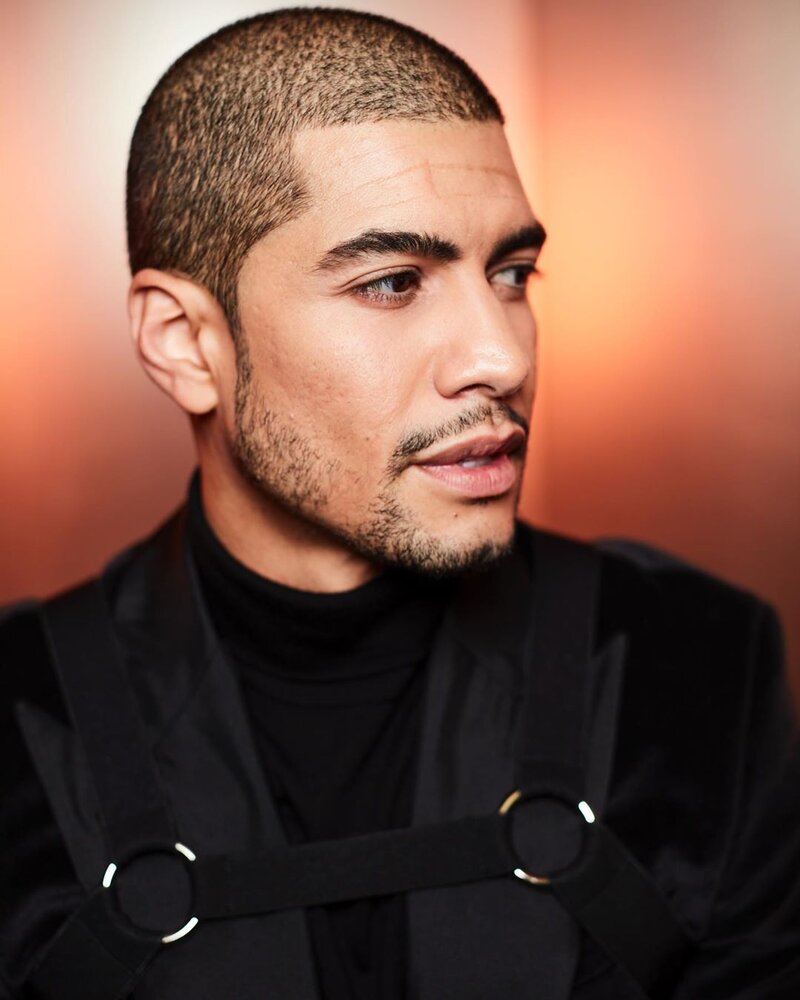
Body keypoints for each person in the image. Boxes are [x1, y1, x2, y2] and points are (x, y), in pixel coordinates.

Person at [1, 8, 798, 999]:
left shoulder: (697, 669)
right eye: (391, 283)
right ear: (184, 343)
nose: (500, 357)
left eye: (511, 273)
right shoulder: (19, 724)